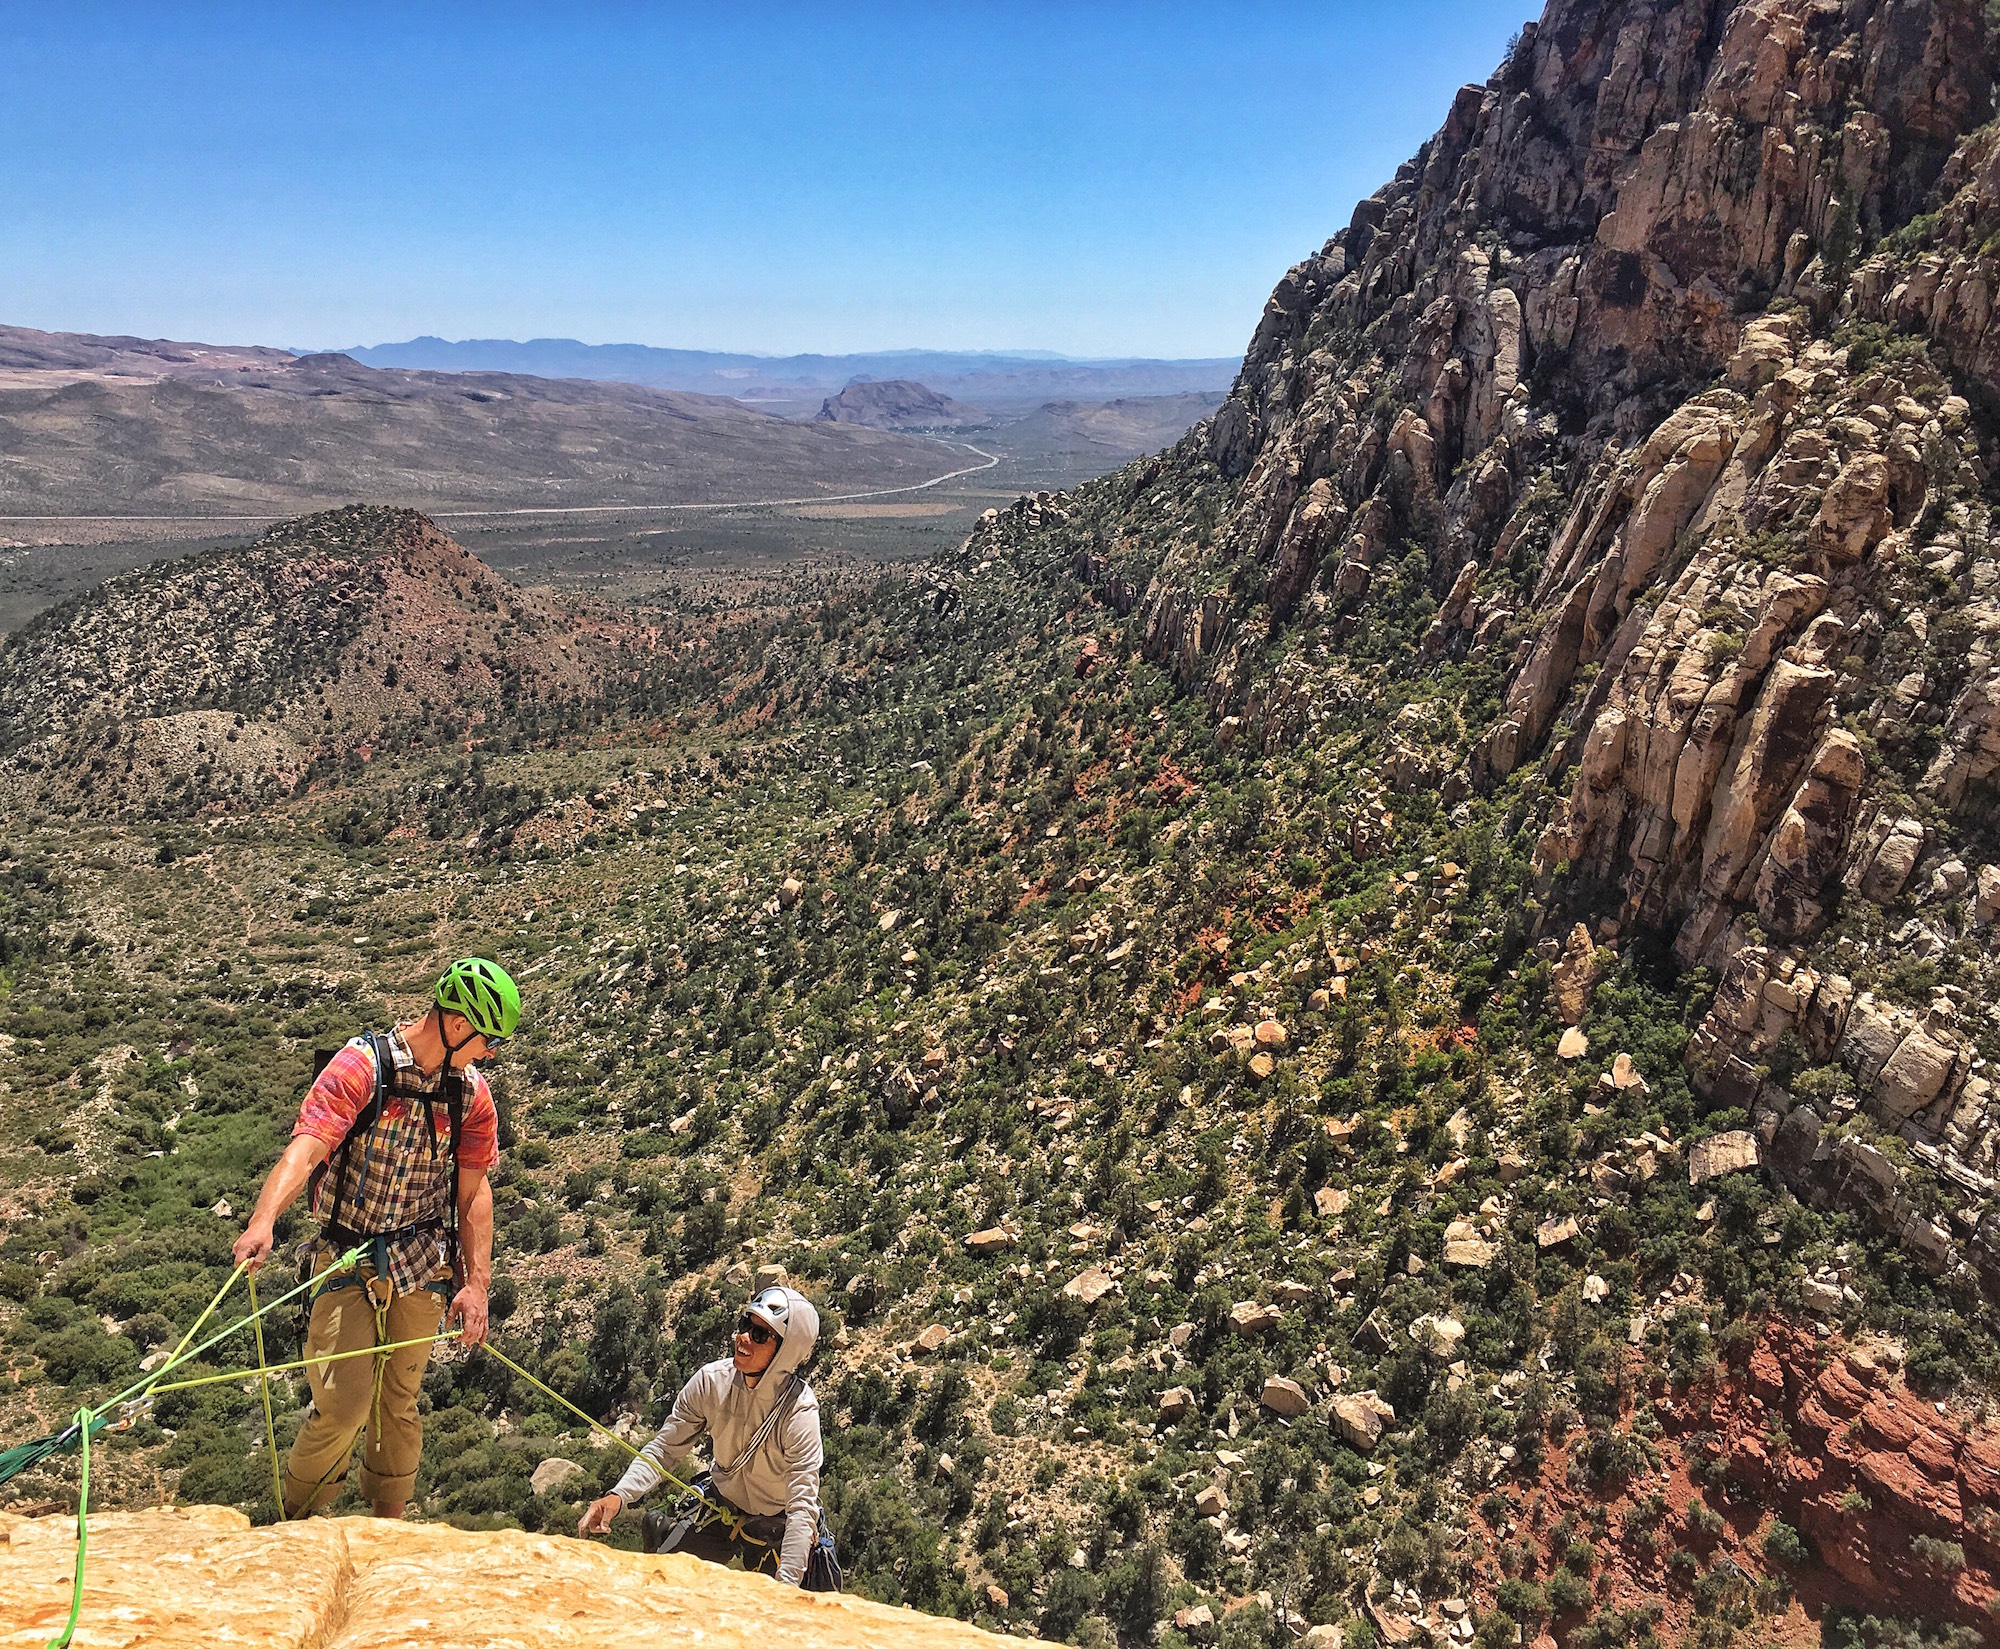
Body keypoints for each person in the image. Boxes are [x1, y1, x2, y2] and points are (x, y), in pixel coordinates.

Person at [232, 957, 519, 1518]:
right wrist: (264, 1218)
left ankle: (388, 1529)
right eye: (488, 1039)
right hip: (346, 1253)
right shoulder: (363, 1066)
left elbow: (472, 1192)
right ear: (458, 1025)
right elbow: (310, 1142)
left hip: (421, 1262)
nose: (489, 1052)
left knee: (399, 1406)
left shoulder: (470, 1094)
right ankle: (299, 1525)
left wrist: (477, 1284)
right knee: (343, 1407)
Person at [578, 1286, 832, 1588]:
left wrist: (787, 1587)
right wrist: (618, 1496)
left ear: (785, 1351)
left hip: (778, 1524)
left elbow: (802, 1505)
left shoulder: (799, 1412)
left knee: (803, 1622)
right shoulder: (711, 1382)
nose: (743, 1338)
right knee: (661, 1583)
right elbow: (664, 1450)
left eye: (761, 1334)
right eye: (745, 1325)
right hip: (720, 1506)